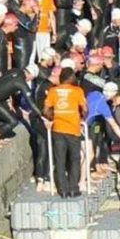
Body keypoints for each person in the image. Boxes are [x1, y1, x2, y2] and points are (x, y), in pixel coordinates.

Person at [42, 67, 88, 198]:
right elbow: (85, 108)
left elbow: (45, 110)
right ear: (71, 78)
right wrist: (83, 117)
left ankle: (62, 190)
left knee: (60, 160)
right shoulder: (77, 91)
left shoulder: (53, 91)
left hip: (58, 128)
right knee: (75, 159)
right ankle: (74, 188)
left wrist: (54, 117)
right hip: (73, 129)